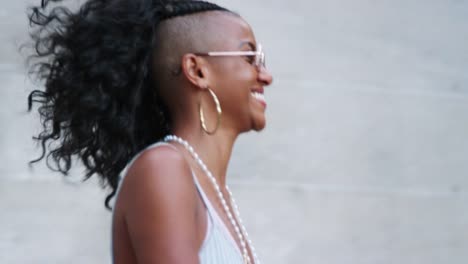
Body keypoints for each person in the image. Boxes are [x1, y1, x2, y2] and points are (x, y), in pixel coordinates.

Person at [26, 0, 273, 263]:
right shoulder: (163, 167)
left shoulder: (215, 193)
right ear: (197, 70)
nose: (266, 75)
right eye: (249, 58)